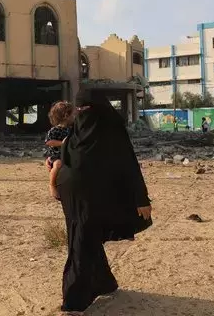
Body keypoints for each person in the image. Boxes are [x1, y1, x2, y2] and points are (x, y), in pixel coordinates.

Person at [50, 90, 152, 314]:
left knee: (84, 235)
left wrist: (141, 198)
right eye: (80, 109)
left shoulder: (109, 131)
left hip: (87, 191)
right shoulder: (81, 130)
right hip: (75, 192)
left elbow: (127, 163)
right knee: (82, 238)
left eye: (87, 109)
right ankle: (74, 301)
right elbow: (64, 155)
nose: (83, 113)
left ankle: (105, 283)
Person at [44, 101, 74, 200]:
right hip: (56, 154)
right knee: (58, 164)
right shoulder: (54, 130)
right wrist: (62, 143)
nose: (74, 117)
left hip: (67, 153)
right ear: (66, 116)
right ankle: (52, 185)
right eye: (72, 115)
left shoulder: (71, 129)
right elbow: (48, 142)